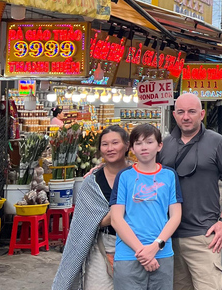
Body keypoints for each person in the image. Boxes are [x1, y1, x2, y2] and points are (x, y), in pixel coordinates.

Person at [158, 93, 222, 290]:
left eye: (191, 112)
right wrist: (103, 169)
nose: (186, 117)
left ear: (202, 114)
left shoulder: (217, 142)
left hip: (204, 235)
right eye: (181, 112)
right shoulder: (165, 144)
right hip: (170, 237)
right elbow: (144, 171)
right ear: (174, 114)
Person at [52, 126, 131, 290]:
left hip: (135, 245)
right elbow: (88, 221)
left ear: (127, 145)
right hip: (103, 245)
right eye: (105, 144)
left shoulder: (140, 175)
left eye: (115, 143)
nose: (110, 148)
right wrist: (119, 212)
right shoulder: (92, 183)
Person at [110, 124, 183, 290]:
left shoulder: (169, 175)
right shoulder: (124, 176)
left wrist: (155, 246)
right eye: (138, 143)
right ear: (132, 148)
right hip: (129, 255)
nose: (144, 147)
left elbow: (176, 215)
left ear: (159, 146)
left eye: (149, 142)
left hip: (162, 253)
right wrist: (143, 253)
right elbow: (116, 218)